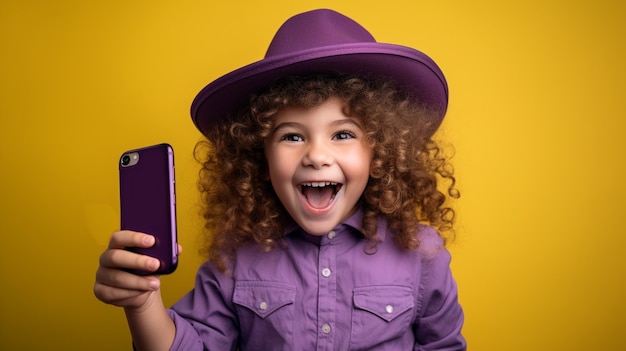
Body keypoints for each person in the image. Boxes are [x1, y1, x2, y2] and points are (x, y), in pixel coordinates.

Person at [94, 8, 466, 351]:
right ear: (261, 155)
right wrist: (142, 304)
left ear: (380, 151)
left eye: (342, 134)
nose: (317, 155)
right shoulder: (235, 257)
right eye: (292, 136)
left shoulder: (422, 255)